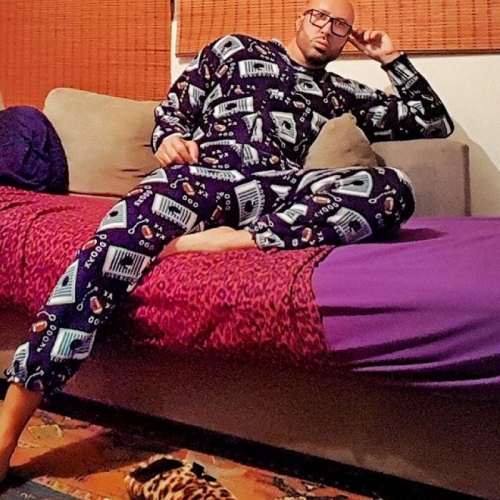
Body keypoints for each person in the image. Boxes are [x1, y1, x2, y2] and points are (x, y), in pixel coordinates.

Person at [0, 0, 454, 481]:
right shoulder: (232, 49)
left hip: (279, 191)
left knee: (394, 187)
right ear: (300, 18)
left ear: (347, 39)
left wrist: (390, 58)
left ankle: (235, 240)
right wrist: (168, 139)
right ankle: (8, 427)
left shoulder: (340, 90)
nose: (327, 30)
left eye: (340, 26)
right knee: (107, 251)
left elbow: (432, 122)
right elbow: (174, 110)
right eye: (319, 17)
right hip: (203, 179)